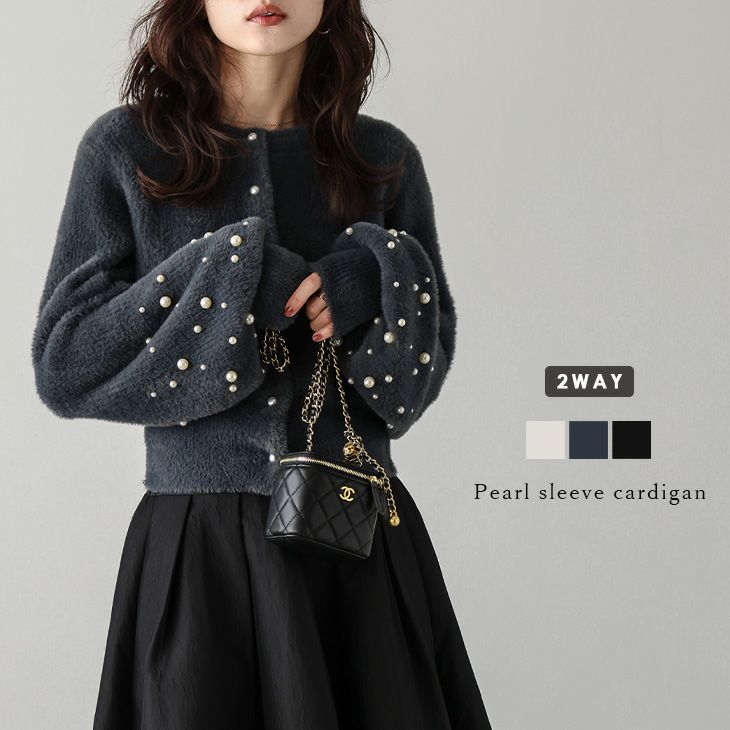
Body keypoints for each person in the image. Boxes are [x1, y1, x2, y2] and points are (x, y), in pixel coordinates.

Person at [31, 1, 494, 728]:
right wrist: (233, 277)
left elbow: (412, 388)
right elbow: (66, 362)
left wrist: (377, 276)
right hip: (201, 556)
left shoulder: (382, 159)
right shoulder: (128, 150)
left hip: (357, 546)